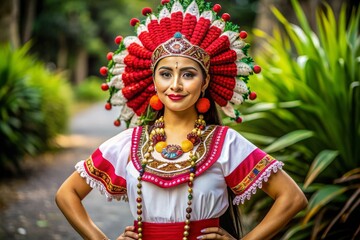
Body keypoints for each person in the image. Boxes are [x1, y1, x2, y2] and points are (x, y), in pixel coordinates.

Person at [55, 1, 308, 240]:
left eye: (188, 74)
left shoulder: (226, 144)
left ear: (205, 82)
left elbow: (292, 198)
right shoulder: (129, 144)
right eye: (165, 74)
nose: (175, 85)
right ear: (154, 81)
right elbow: (67, 194)